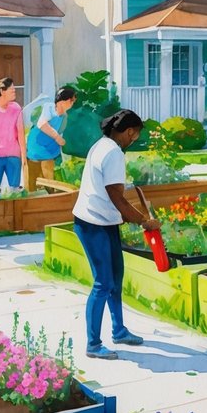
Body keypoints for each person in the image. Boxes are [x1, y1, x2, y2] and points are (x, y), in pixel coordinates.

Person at [72, 109, 160, 360]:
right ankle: (93, 343)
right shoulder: (112, 153)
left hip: (104, 221)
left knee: (115, 279)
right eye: (135, 136)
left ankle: (119, 331)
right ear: (130, 131)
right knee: (103, 283)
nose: (134, 140)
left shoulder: (103, 145)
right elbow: (118, 199)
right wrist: (145, 221)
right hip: (92, 223)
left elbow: (115, 196)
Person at [26, 86, 76, 190]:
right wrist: (57, 137)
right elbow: (42, 124)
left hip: (50, 145)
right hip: (37, 142)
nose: (72, 103)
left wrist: (59, 141)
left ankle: (50, 193)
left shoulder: (64, 116)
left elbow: (60, 131)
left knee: (49, 172)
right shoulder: (49, 107)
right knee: (33, 173)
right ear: (62, 101)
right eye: (71, 100)